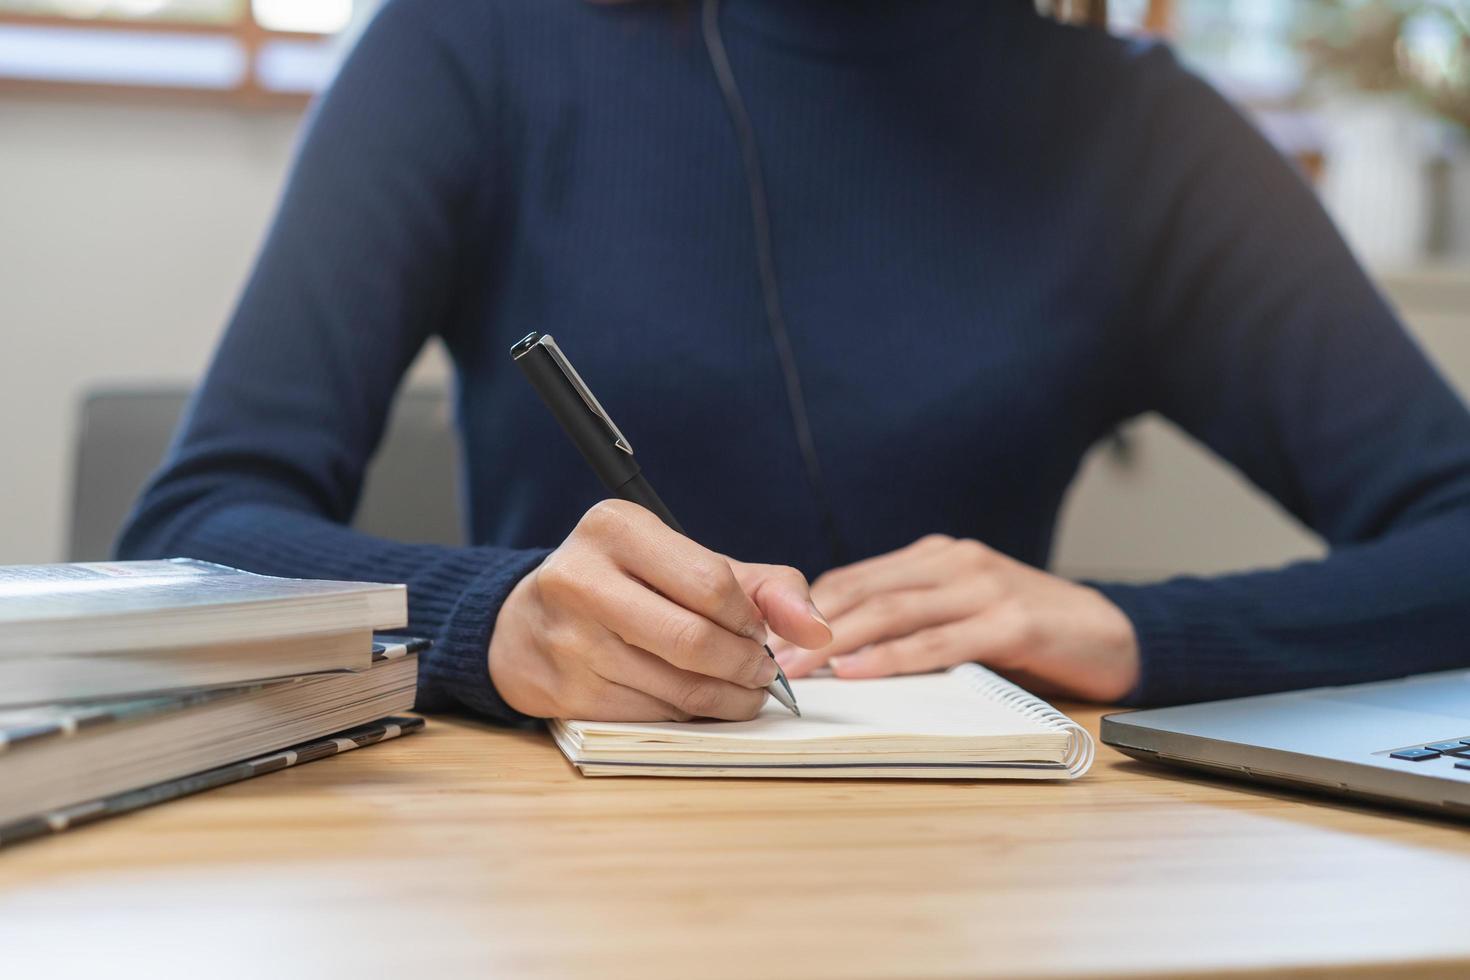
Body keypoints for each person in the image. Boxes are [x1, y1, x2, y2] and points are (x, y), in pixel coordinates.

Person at [118, 0, 1470, 724]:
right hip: (553, 862)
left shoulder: (1142, 130)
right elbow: (190, 532)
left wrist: (1135, 633)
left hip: (994, 871)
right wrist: (493, 621)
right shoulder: (471, 42)